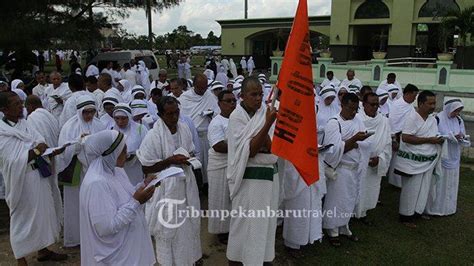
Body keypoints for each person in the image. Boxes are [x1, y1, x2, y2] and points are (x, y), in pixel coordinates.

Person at [0, 91, 66, 265]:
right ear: (4, 109)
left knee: (43, 215)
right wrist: (37, 151)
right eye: (16, 104)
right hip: (20, 181)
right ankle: (21, 259)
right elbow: (11, 160)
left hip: (38, 176)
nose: (21, 106)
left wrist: (49, 151)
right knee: (22, 219)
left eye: (21, 103)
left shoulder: (25, 124)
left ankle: (43, 250)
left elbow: (39, 141)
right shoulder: (2, 132)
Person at [137, 96, 202, 266]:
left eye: (176, 113)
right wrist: (170, 160)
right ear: (160, 115)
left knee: (186, 229)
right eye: (169, 114)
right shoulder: (153, 136)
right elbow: (146, 168)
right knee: (167, 232)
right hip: (165, 190)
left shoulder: (184, 129)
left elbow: (191, 151)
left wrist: (188, 159)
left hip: (185, 186)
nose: (174, 117)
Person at [80, 130, 156, 266]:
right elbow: (105, 227)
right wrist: (136, 202)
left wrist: (143, 185)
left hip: (130, 249)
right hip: (117, 257)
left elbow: (126, 196)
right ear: (111, 152)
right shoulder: (96, 183)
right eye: (123, 150)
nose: (126, 155)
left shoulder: (116, 170)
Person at [226, 77, 279, 265]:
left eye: (260, 94)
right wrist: (266, 125)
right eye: (253, 94)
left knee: (264, 223)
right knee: (243, 224)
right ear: (242, 96)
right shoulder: (236, 117)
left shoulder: (265, 112)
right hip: (246, 179)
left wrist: (259, 137)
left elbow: (272, 149)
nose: (258, 98)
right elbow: (252, 151)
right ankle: (237, 260)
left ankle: (262, 258)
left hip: (268, 180)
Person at [321, 93, 371, 247]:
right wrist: (354, 140)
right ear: (342, 105)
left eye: (356, 109)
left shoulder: (358, 120)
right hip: (340, 168)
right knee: (337, 200)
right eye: (351, 108)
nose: (354, 112)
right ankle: (332, 229)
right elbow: (333, 150)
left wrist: (354, 142)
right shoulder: (334, 123)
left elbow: (366, 142)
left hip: (354, 168)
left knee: (349, 200)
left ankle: (344, 226)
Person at [57, 94, 106, 247]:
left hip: (96, 170)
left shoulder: (99, 125)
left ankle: (97, 234)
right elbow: (63, 151)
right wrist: (78, 144)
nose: (89, 115)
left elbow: (106, 146)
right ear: (79, 111)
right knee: (76, 204)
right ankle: (77, 238)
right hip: (76, 171)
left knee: (96, 203)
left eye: (92, 111)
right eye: (86, 112)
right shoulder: (69, 127)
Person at [394, 90, 444, 228]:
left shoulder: (432, 119)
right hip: (412, 162)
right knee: (411, 189)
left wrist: (438, 140)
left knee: (423, 188)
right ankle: (405, 216)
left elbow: (432, 135)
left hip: (427, 161)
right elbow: (406, 138)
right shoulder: (411, 117)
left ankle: (417, 212)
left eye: (434, 103)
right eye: (430, 103)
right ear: (421, 103)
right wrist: (430, 140)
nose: (433, 106)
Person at [426, 98, 470, 216]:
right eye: (455, 111)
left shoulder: (459, 120)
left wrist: (461, 137)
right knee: (439, 181)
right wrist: (448, 137)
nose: (456, 114)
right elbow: (434, 135)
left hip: (454, 155)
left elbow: (463, 134)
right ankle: (435, 208)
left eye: (458, 111)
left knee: (451, 181)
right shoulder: (438, 118)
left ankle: (449, 207)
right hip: (442, 154)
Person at [354, 93, 392, 222]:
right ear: (364, 104)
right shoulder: (357, 119)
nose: (375, 107)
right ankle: (352, 213)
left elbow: (387, 143)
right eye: (372, 104)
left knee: (370, 189)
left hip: (375, 163)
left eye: (377, 104)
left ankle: (364, 212)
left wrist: (380, 158)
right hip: (358, 162)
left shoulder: (384, 121)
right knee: (355, 188)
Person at [178, 74, 219, 186]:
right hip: (191, 136)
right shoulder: (184, 98)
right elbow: (181, 118)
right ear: (194, 85)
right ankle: (197, 185)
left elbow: (218, 112)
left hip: (207, 135)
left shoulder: (209, 95)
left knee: (208, 162)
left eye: (205, 87)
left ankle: (207, 184)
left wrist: (211, 114)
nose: (202, 90)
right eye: (200, 88)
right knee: (195, 162)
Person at [207, 91, 236, 244]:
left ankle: (232, 227)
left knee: (232, 197)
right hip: (219, 165)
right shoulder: (216, 122)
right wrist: (240, 147)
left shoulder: (238, 119)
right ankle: (220, 231)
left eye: (234, 100)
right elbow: (218, 146)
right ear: (219, 104)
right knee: (220, 198)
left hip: (234, 164)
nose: (232, 103)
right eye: (228, 101)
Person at [388, 84, 419, 188]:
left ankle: (399, 181)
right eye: (414, 96)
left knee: (401, 159)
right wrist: (393, 138)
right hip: (396, 135)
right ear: (407, 94)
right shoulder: (396, 105)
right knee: (393, 159)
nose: (414, 99)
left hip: (406, 135)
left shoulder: (410, 106)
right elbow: (392, 122)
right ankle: (393, 181)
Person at [111, 103, 148, 185]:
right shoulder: (111, 131)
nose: (120, 122)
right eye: (117, 118)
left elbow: (147, 148)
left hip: (136, 170)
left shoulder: (140, 129)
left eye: (124, 118)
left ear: (129, 116)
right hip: (118, 170)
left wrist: (134, 154)